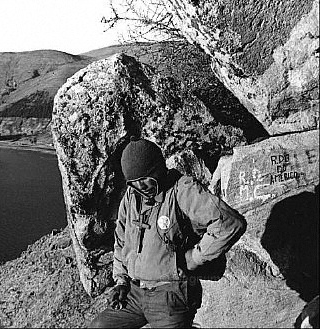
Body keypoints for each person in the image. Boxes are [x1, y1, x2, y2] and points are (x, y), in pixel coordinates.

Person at [90, 136, 247, 328]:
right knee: (100, 326)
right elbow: (121, 241)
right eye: (134, 182)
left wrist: (194, 258)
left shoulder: (182, 190)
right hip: (135, 293)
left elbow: (229, 223)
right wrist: (121, 281)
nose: (141, 187)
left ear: (157, 169)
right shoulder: (130, 197)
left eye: (145, 180)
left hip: (171, 293)